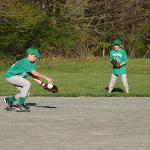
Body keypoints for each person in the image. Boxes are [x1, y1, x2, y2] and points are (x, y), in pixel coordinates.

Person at [4, 47, 53, 112]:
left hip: (17, 77)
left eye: (37, 57)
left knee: (26, 93)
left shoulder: (33, 63)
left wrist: (43, 84)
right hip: (10, 76)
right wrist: (46, 78)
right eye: (35, 56)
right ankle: (21, 105)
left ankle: (9, 100)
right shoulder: (24, 62)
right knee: (27, 84)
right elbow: (34, 73)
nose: (36, 58)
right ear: (29, 55)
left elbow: (32, 75)